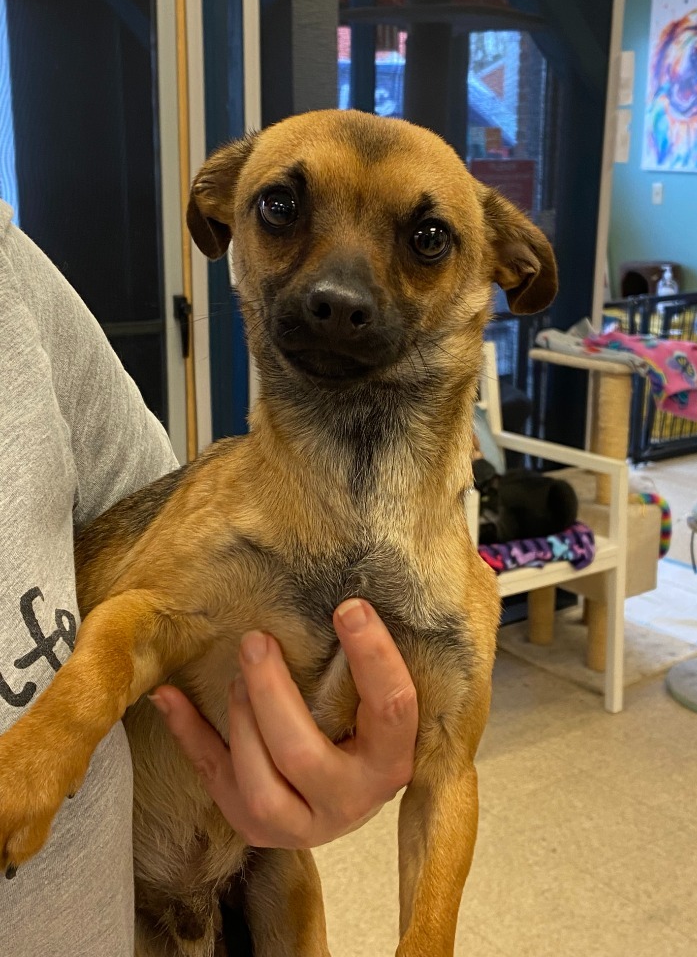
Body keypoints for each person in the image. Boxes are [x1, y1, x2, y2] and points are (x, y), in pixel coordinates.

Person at [0, 199, 418, 955]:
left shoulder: (13, 278)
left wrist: (318, 771)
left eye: (420, 242)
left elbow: (175, 580)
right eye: (286, 211)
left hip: (223, 882)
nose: (339, 295)